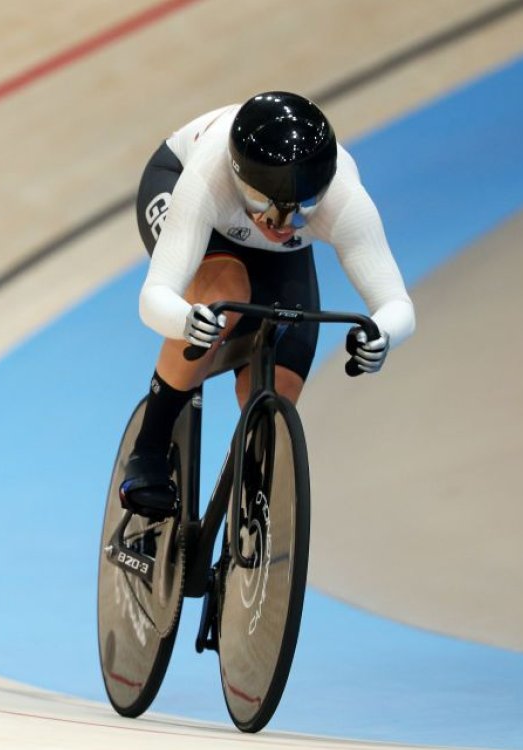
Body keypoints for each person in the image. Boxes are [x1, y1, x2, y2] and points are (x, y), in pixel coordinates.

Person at [120, 91, 415, 519]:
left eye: (301, 212)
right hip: (180, 184)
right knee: (225, 297)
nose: (278, 226)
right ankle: (148, 448)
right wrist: (187, 319)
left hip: (273, 249)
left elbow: (395, 303)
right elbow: (154, 296)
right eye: (264, 207)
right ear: (240, 180)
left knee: (281, 388)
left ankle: (248, 502)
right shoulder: (208, 179)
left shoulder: (343, 199)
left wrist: (381, 334)